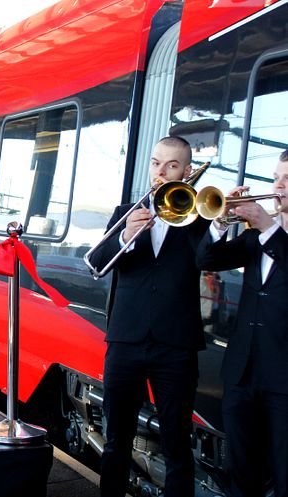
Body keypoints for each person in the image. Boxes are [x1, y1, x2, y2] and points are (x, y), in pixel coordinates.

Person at [86, 136, 209, 497]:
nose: (161, 171)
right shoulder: (126, 211)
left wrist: (193, 217)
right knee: (116, 440)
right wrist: (126, 233)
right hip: (126, 341)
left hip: (176, 345)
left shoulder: (198, 217)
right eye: (156, 163)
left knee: (177, 444)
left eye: (171, 165)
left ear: (186, 172)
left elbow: (210, 259)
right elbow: (96, 263)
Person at [196, 150, 288, 497]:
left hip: (284, 379)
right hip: (243, 374)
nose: (278, 186)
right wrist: (219, 221)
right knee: (242, 474)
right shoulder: (254, 238)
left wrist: (267, 226)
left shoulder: (267, 233)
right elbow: (206, 259)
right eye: (277, 177)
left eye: (287, 180)